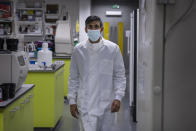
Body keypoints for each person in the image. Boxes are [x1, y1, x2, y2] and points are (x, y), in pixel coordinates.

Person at [68, 16, 126, 131]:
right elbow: (73, 77)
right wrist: (72, 101)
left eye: (96, 26)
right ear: (86, 29)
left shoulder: (113, 49)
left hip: (106, 103)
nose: (93, 29)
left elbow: (119, 75)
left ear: (101, 29)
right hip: (85, 104)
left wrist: (118, 97)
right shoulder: (78, 50)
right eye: (90, 27)